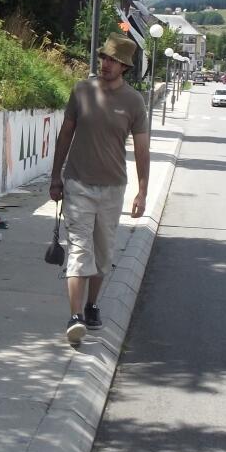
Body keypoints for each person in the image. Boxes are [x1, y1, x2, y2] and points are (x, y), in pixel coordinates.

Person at [49, 33, 149, 346]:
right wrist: (56, 176)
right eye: (104, 57)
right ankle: (75, 316)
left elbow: (142, 150)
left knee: (103, 252)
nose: (106, 64)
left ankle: (92, 306)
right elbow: (65, 136)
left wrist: (142, 191)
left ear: (125, 67)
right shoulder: (81, 90)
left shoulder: (134, 101)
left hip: (113, 187)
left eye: (113, 60)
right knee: (80, 248)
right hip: (78, 183)